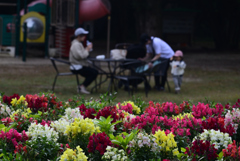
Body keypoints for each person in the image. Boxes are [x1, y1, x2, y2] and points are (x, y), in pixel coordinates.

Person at [69, 28, 98, 94]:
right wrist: (87, 49)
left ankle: (82, 86)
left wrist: (87, 49)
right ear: (79, 36)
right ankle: (82, 86)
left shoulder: (78, 43)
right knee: (94, 73)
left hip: (78, 66)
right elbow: (80, 56)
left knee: (94, 71)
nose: (84, 37)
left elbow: (81, 54)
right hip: (77, 67)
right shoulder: (76, 44)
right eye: (83, 35)